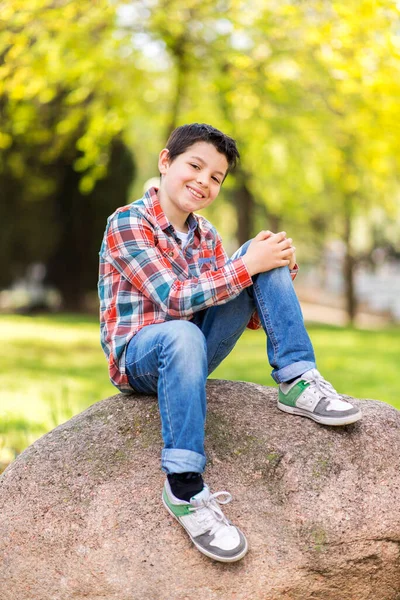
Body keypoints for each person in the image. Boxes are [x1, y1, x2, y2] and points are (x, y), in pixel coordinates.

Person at [98, 123, 362, 564]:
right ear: (166, 162)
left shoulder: (206, 236)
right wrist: (247, 268)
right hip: (140, 358)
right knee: (196, 316)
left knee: (263, 251)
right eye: (195, 166)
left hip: (193, 351)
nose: (204, 181)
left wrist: (274, 267)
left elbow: (250, 315)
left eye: (216, 177)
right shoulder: (128, 222)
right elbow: (174, 299)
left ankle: (297, 380)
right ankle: (183, 486)